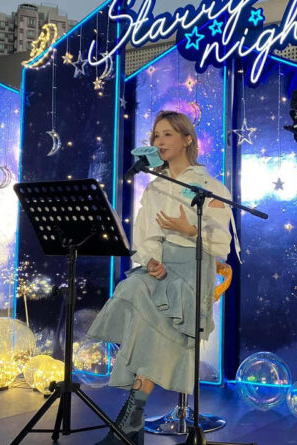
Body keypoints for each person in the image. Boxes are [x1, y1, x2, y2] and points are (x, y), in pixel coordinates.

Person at [88, 110, 237, 445]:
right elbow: (147, 237)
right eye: (156, 136)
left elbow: (221, 244)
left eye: (167, 134)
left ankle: (129, 423)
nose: (159, 141)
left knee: (155, 326)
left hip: (193, 269)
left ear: (187, 139)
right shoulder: (154, 188)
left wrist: (191, 229)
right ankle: (131, 421)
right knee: (134, 286)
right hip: (161, 268)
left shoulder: (211, 187)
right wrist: (152, 261)